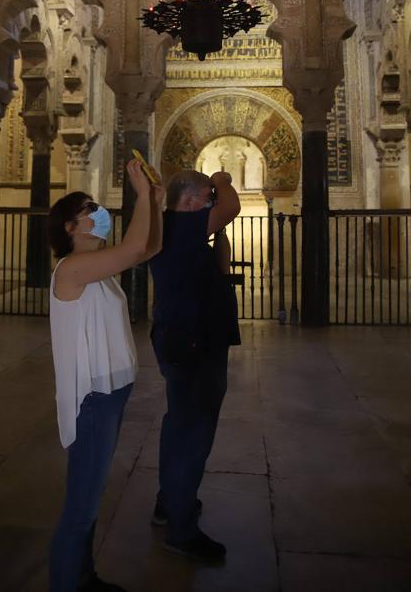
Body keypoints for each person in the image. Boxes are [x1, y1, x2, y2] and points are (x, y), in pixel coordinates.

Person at [48, 160, 164, 592]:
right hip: (93, 399)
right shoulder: (71, 269)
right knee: (81, 504)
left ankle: (83, 578)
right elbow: (135, 249)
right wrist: (139, 195)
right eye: (89, 208)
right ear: (69, 227)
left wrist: (154, 203)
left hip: (112, 394)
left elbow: (148, 249)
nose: (98, 213)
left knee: (91, 496)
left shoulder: (97, 268)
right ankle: (66, 583)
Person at [149, 169, 241, 563]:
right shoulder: (178, 224)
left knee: (180, 425)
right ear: (188, 200)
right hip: (193, 344)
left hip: (190, 340)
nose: (214, 201)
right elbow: (233, 205)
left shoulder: (186, 233)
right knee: (195, 434)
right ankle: (182, 530)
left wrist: (218, 235)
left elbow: (220, 269)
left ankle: (169, 503)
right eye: (207, 196)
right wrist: (221, 178)